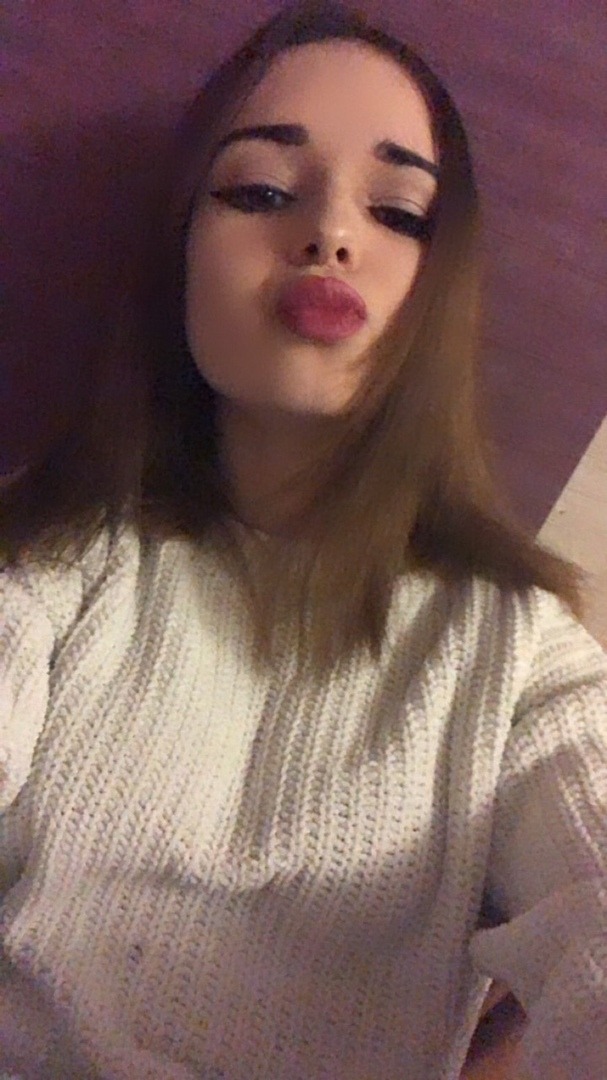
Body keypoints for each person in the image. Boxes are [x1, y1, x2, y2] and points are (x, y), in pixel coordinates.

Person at [0, 1, 605, 1077]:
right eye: (264, 192)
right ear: (181, 252)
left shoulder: (518, 651)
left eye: (398, 211)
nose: (329, 235)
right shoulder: (47, 559)